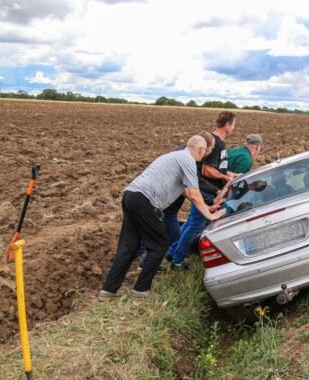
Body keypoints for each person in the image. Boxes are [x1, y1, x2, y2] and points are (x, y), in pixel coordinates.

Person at [100, 135, 225, 299]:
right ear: (201, 150)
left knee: (128, 246)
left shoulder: (174, 156)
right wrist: (210, 215)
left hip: (130, 195)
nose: (206, 154)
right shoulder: (187, 160)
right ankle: (141, 290)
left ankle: (108, 290)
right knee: (160, 244)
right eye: (207, 151)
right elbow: (194, 194)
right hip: (145, 201)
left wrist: (208, 206)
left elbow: (186, 191)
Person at [168, 111, 237, 269]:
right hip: (205, 190)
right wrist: (224, 180)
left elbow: (218, 168)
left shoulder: (217, 143)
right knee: (195, 226)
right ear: (227, 125)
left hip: (205, 188)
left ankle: (172, 252)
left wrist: (230, 174)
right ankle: (177, 260)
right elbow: (207, 170)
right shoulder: (216, 144)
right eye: (233, 124)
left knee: (192, 223)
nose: (233, 128)